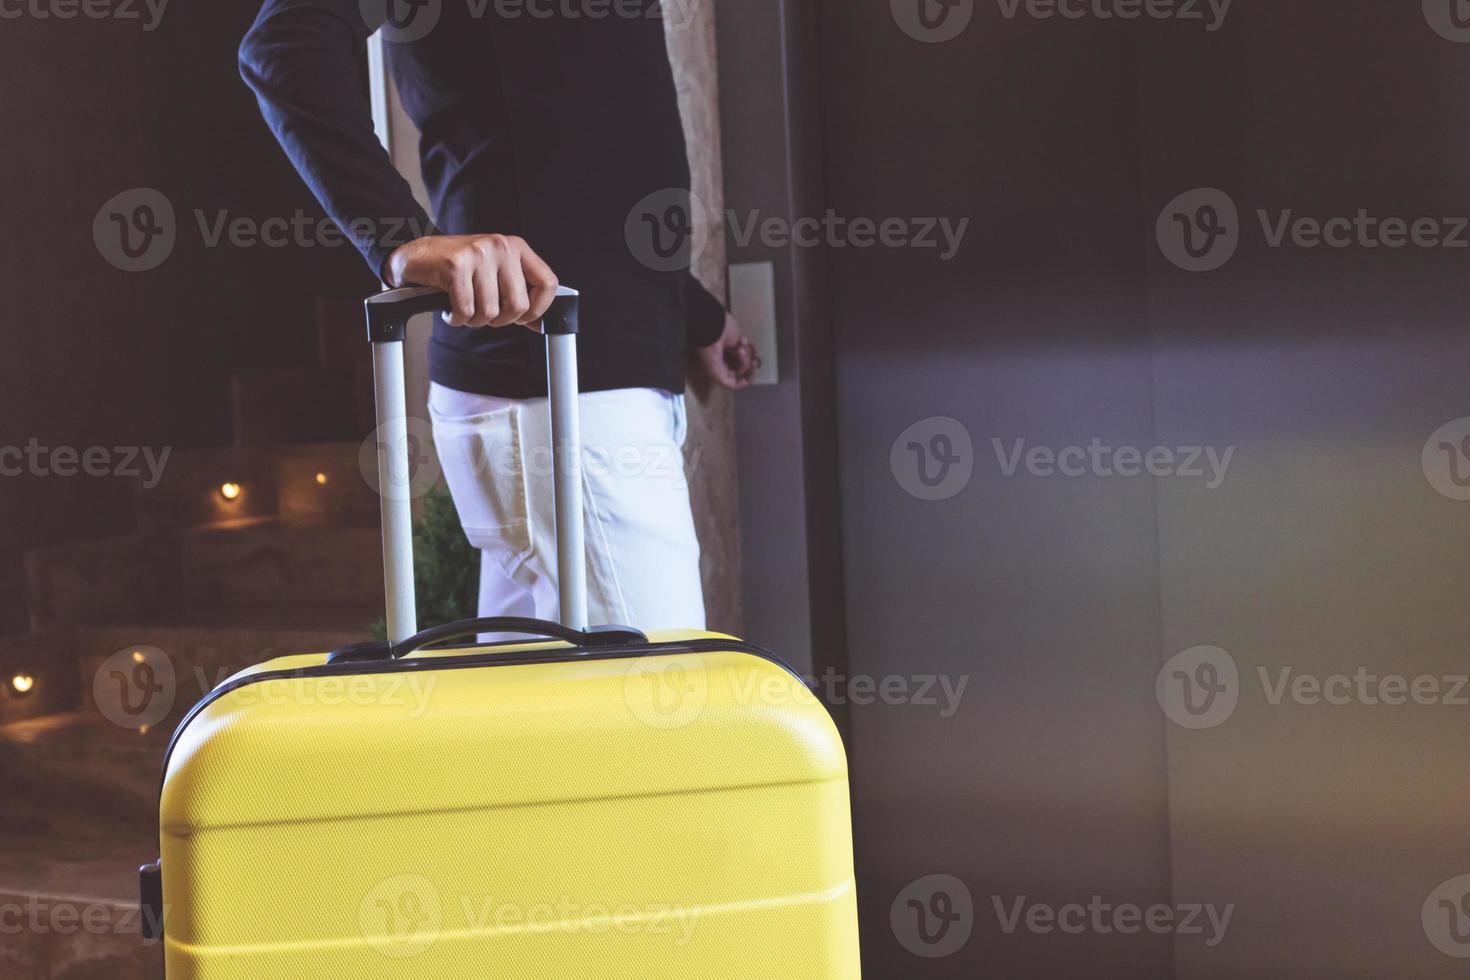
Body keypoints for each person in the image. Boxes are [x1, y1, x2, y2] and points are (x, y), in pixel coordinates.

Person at [239, 1, 759, 630]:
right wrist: (399, 239)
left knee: (541, 721)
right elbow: (283, 44)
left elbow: (587, 146)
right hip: (560, 396)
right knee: (654, 718)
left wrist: (692, 313)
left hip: (585, 387)